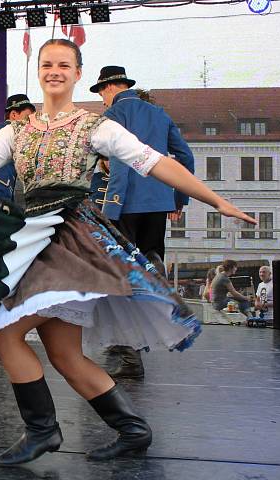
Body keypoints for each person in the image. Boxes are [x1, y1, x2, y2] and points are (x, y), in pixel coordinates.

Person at [0, 39, 255, 466]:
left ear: (77, 74)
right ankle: (133, 430)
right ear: (39, 72)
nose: (54, 71)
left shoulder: (96, 127)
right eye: (47, 64)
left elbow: (153, 162)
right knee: (64, 354)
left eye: (64, 64)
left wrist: (214, 199)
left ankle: (43, 431)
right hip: (33, 232)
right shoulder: (15, 131)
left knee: (6, 333)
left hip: (70, 237)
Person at [90, 66, 196, 380]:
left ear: (108, 88)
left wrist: (110, 203)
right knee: (149, 261)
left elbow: (109, 162)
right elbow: (185, 157)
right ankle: (156, 285)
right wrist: (178, 199)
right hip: (158, 203)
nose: (102, 100)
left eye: (100, 94)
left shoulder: (114, 114)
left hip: (124, 205)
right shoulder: (159, 114)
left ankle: (128, 354)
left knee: (117, 277)